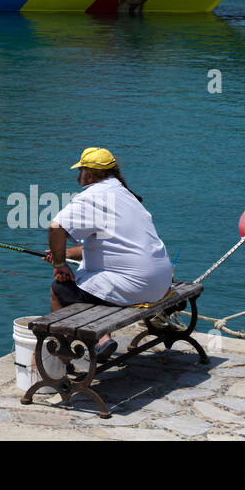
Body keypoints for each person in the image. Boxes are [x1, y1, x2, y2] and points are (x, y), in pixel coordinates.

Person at [44, 147, 173, 359]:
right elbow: (109, 247)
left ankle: (63, 356)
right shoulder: (126, 195)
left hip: (137, 287)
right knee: (94, 283)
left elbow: (55, 228)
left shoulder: (91, 197)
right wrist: (63, 254)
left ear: (90, 174)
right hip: (161, 281)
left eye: (81, 171)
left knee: (60, 289)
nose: (78, 176)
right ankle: (102, 340)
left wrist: (59, 265)